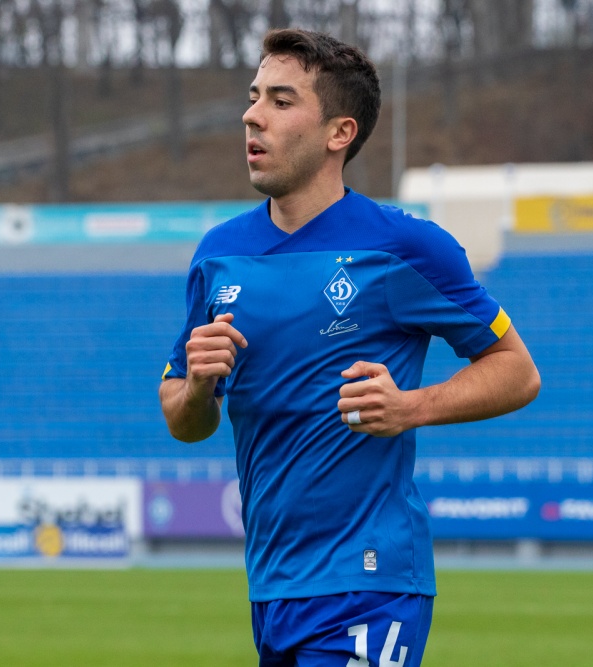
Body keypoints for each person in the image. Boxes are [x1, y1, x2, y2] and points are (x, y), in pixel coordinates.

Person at [159, 28, 540, 667]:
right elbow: (184, 420)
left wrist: (411, 407)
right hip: (272, 588)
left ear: (340, 132)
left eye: (281, 101)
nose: (252, 115)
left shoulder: (404, 247)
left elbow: (518, 371)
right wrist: (198, 387)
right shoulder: (218, 255)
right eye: (254, 97)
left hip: (369, 584)